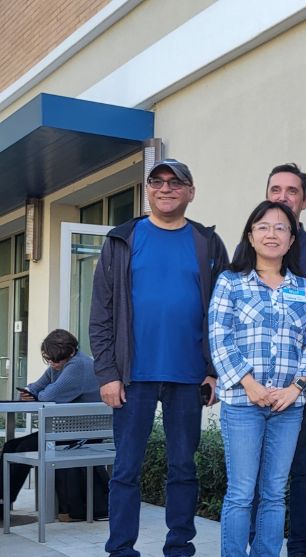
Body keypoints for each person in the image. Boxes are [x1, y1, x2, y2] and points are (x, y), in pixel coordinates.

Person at [90, 158, 229, 557]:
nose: (165, 188)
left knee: (183, 469)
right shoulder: (123, 239)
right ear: (148, 189)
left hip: (188, 376)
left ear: (190, 191)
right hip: (132, 375)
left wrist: (213, 370)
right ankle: (120, 549)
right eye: (157, 181)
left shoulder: (206, 242)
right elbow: (102, 312)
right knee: (126, 469)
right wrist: (107, 372)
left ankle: (180, 548)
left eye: (175, 182)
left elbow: (219, 313)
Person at [209, 200, 306, 557]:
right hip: (243, 404)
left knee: (275, 493)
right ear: (251, 236)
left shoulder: (305, 288)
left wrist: (295, 388)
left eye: (280, 228)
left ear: (292, 240)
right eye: (263, 227)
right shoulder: (231, 283)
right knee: (242, 492)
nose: (272, 234)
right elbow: (219, 336)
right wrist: (250, 384)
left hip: (288, 407)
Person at [0, 329, 100, 508]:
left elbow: (46, 396)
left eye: (56, 360)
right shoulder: (61, 364)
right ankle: (2, 502)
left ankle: (2, 504)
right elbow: (35, 388)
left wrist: (37, 393)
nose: (53, 364)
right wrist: (31, 393)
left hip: (82, 435)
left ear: (70, 352)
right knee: (11, 446)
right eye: (49, 359)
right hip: (66, 431)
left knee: (18, 447)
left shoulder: (78, 365)